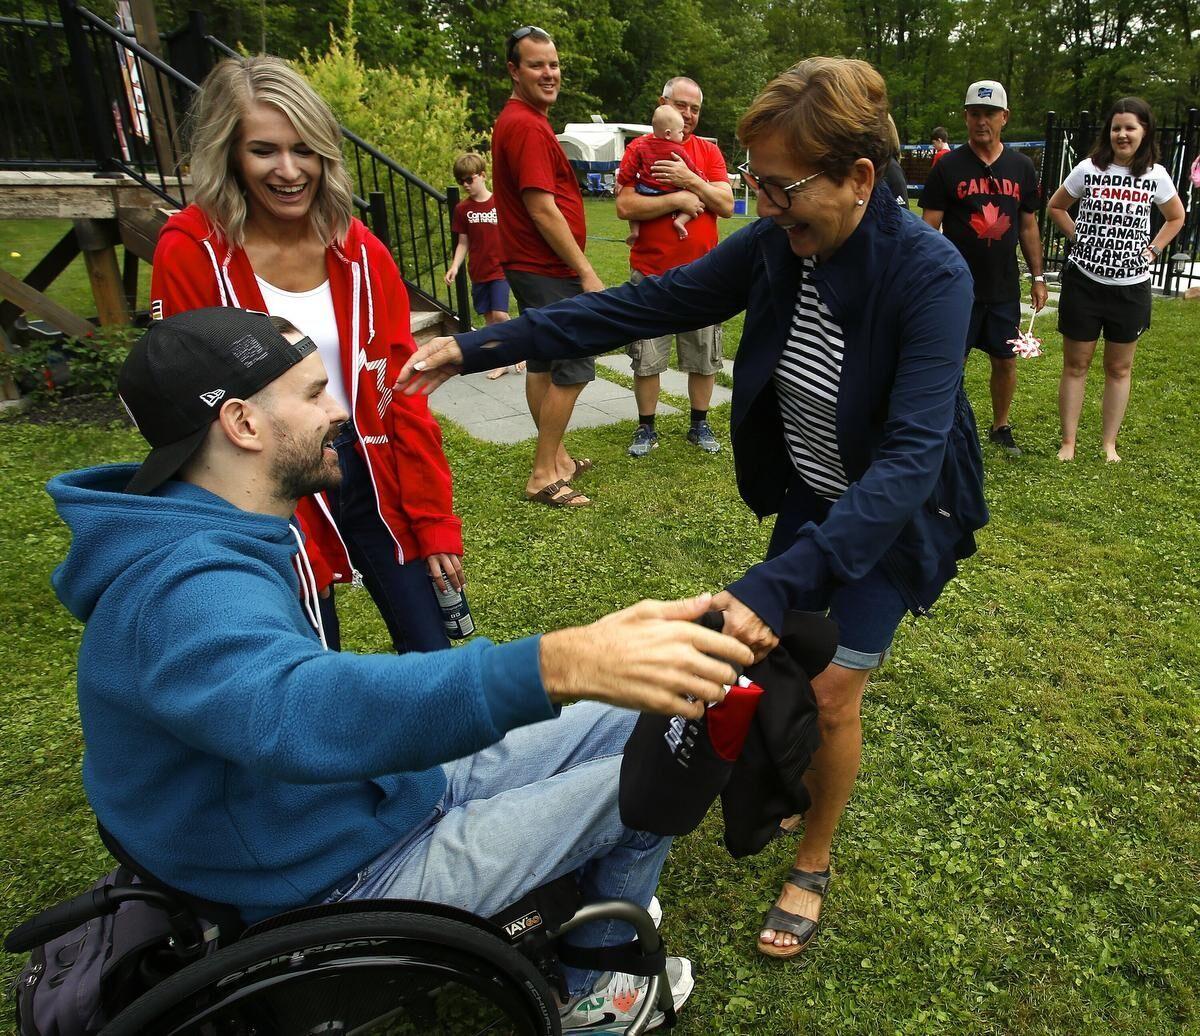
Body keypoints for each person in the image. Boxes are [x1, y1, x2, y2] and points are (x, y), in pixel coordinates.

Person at [400, 57, 988, 960]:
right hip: (813, 498)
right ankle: (785, 779)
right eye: (755, 182)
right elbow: (645, 304)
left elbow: (910, 462)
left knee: (833, 692)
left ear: (860, 177)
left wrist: (778, 578)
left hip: (895, 517)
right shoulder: (773, 246)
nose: (761, 205)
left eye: (781, 187)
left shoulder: (931, 276)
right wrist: (482, 346)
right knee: (780, 661)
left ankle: (814, 860)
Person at [51, 307, 754, 1032]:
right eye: (316, 392)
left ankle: (582, 885)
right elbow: (296, 709)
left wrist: (591, 667)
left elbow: (291, 700)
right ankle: (597, 991)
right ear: (243, 424)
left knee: (646, 708)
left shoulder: (201, 526)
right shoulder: (185, 587)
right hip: (331, 878)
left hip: (362, 799)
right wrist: (558, 662)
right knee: (660, 771)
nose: (337, 411)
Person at [150, 56, 460, 655]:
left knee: (435, 649)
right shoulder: (191, 252)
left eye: (306, 149)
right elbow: (186, 417)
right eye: (264, 150)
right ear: (230, 154)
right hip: (261, 481)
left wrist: (433, 518)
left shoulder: (361, 250)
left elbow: (401, 390)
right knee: (308, 663)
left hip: (366, 460)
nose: (290, 170)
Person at [491, 25, 602, 508]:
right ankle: (543, 474)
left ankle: (557, 458)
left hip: (531, 265)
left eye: (553, 64)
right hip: (546, 267)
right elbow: (542, 207)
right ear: (514, 71)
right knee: (574, 365)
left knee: (543, 360)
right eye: (536, 64)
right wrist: (585, 271)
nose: (549, 73)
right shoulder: (528, 126)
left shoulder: (522, 120)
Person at [1046, 97, 1185, 462]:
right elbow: (1056, 206)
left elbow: (1176, 217)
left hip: (1130, 287)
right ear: (1109, 132)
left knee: (1119, 368)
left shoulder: (1155, 175)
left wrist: (1152, 251)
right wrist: (1079, 238)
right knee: (1076, 364)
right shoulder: (1089, 168)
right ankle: (1068, 443)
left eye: (1130, 128)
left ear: (1145, 132)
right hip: (1085, 284)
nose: (1122, 134)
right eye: (1116, 127)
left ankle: (1109, 445)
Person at [921, 79, 1048, 456]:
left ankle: (1000, 425)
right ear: (965, 117)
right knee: (950, 360)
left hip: (1003, 285)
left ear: (1004, 118)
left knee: (1005, 359)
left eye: (990, 114)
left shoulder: (1021, 168)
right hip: (956, 284)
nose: (982, 122)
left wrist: (1038, 277)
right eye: (975, 113)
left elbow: (1028, 225)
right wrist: (925, 275)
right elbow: (929, 225)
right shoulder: (949, 167)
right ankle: (941, 425)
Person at [614, 75, 733, 459]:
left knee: (704, 355)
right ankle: (646, 427)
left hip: (702, 275)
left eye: (695, 108)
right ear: (663, 104)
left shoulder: (708, 153)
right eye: (682, 105)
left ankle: (699, 424)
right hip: (651, 274)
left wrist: (689, 179)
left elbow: (726, 205)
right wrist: (678, 197)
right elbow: (626, 206)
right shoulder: (642, 148)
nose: (688, 114)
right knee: (647, 357)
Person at [444, 151, 524, 380]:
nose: (466, 185)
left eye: (470, 179)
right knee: (489, 320)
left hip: (500, 269)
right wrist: (454, 266)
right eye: (461, 181)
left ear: (482, 175)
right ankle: (501, 361)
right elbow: (463, 242)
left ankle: (520, 348)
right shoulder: (462, 209)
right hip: (478, 272)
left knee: (500, 314)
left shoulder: (500, 203)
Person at [623, 104, 699, 244]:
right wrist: (702, 179)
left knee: (634, 213)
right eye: (680, 132)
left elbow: (630, 168)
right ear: (668, 134)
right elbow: (691, 168)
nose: (682, 135)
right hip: (669, 189)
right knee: (696, 199)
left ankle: (634, 231)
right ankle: (680, 222)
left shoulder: (641, 147)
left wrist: (621, 181)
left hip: (645, 190)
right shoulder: (678, 149)